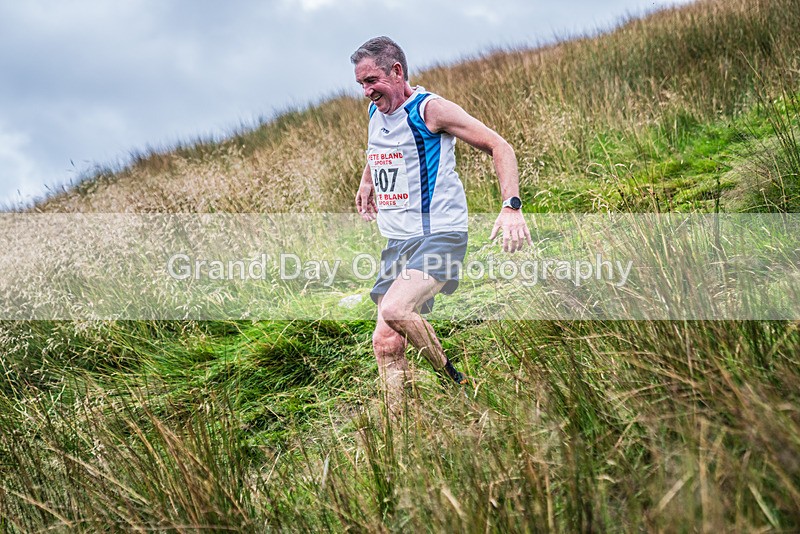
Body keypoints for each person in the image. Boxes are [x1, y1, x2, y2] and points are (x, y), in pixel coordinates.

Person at [351, 36, 531, 412]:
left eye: (372, 81)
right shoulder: (376, 112)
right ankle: (399, 428)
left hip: (440, 235)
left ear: (397, 71)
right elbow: (379, 147)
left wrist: (511, 206)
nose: (367, 91)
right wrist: (368, 180)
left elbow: (501, 146)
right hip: (398, 241)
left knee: (396, 311)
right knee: (385, 342)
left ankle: (456, 381)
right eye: (361, 84)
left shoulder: (430, 110)